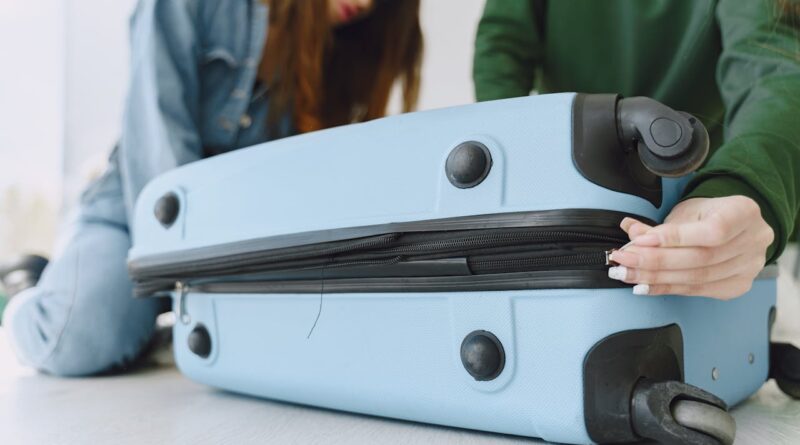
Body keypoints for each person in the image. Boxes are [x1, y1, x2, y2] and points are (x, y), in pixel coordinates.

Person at [0, 0, 422, 376]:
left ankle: (156, 313)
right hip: (134, 215)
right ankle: (24, 288)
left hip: (241, 242)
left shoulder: (345, 50)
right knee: (78, 338)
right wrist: (192, 268)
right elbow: (157, 144)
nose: (367, 4)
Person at [473, 0, 799, 299]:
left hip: (698, 215)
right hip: (571, 212)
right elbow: (502, 51)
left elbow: (773, 71)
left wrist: (742, 186)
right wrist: (513, 174)